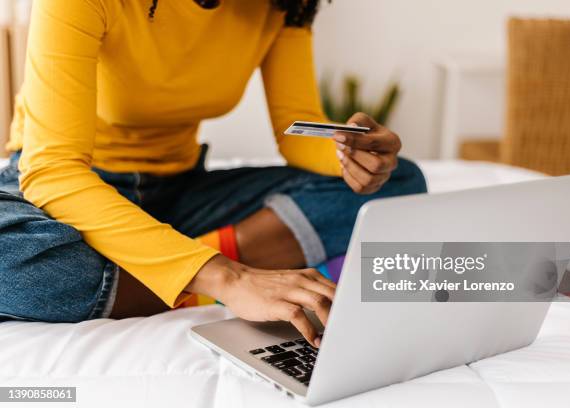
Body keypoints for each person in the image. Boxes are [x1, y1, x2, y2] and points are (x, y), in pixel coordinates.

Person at [0, 0, 426, 347]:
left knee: (400, 182)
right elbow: (54, 170)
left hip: (178, 190)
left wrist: (350, 154)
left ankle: (160, 270)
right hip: (63, 192)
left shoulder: (286, 4)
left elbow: (295, 127)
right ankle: (202, 273)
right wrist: (226, 275)